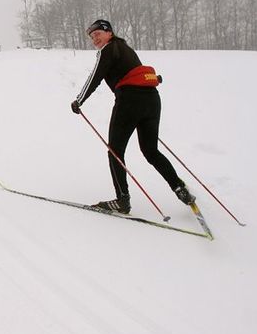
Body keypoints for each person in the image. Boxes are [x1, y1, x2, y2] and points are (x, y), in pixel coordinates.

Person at [70, 19, 195, 214]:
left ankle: (122, 200)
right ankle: (179, 188)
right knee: (151, 151)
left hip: (129, 101)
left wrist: (79, 100)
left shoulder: (108, 49)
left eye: (98, 34)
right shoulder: (125, 48)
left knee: (115, 152)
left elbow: (95, 77)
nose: (95, 39)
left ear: (109, 33)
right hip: (152, 100)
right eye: (92, 37)